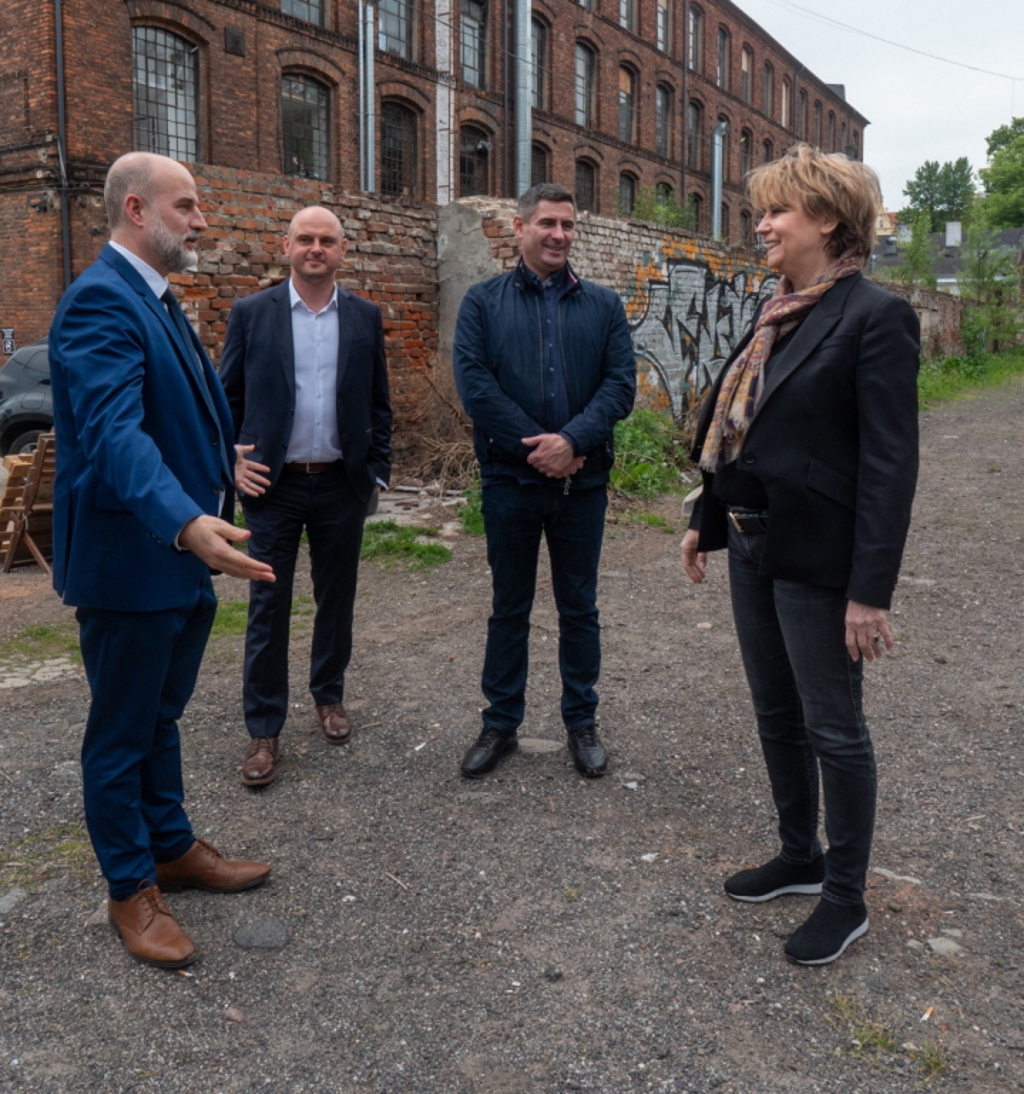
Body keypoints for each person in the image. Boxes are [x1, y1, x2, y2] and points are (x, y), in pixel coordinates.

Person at [680, 144, 920, 965]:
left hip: (820, 559)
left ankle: (846, 898)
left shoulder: (874, 317)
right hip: (751, 541)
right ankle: (799, 855)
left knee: (835, 727)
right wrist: (704, 516)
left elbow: (890, 464)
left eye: (778, 210)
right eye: (762, 210)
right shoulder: (775, 308)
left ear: (826, 218)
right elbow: (740, 430)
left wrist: (870, 591)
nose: (763, 223)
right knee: (775, 713)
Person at [49, 152, 275, 969]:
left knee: (162, 717)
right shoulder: (98, 303)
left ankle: (171, 847)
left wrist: (225, 463)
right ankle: (129, 887)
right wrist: (186, 522)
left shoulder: (157, 298)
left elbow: (177, 412)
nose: (202, 220)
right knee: (120, 733)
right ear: (138, 210)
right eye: (187, 206)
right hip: (132, 557)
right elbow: (114, 435)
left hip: (181, 553)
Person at [453, 183, 637, 780]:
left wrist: (574, 442)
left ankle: (581, 723)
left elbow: (620, 386)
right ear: (519, 227)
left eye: (567, 224)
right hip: (510, 481)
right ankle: (500, 723)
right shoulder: (482, 303)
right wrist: (541, 449)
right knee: (509, 606)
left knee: (579, 607)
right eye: (547, 223)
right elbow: (476, 387)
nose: (559, 234)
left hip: (581, 486)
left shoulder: (604, 306)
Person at [220, 206, 392, 788]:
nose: (316, 249)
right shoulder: (252, 313)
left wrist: (378, 473)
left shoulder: (365, 317)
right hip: (274, 485)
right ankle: (264, 729)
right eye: (306, 240)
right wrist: (230, 460)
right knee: (268, 607)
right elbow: (225, 402)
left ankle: (329, 697)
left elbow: (379, 404)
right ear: (286, 246)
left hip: (342, 483)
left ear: (343, 250)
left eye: (327, 241)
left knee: (336, 599)